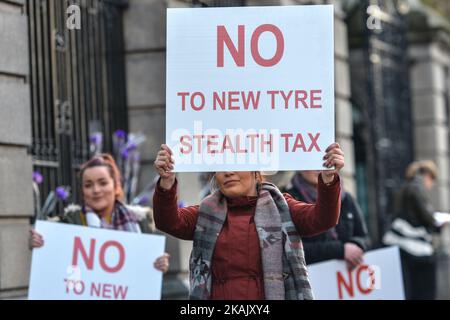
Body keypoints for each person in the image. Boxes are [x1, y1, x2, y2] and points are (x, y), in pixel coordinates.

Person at [153, 142, 345, 300]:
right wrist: (167, 182)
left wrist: (328, 180)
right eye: (220, 168)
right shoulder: (206, 212)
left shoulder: (282, 208)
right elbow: (168, 222)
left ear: (256, 170)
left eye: (237, 164)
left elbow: (323, 219)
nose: (227, 173)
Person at [30, 154, 170, 273]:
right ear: (83, 192)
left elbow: (147, 271)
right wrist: (36, 240)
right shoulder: (68, 223)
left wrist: (159, 264)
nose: (96, 190)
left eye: (102, 183)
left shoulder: (141, 220)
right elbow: (47, 247)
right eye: (88, 185)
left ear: (115, 186)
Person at [284, 171, 370, 268]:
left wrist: (355, 246)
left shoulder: (346, 198)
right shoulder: (287, 201)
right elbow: (290, 248)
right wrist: (340, 250)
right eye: (311, 163)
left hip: (343, 276)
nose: (318, 169)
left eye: (323, 163)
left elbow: (364, 237)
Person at [383, 160, 439, 300]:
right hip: (415, 246)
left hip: (401, 243)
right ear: (427, 175)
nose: (431, 184)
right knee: (423, 289)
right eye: (432, 179)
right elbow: (427, 216)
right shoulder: (416, 188)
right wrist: (437, 223)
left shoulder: (404, 187)